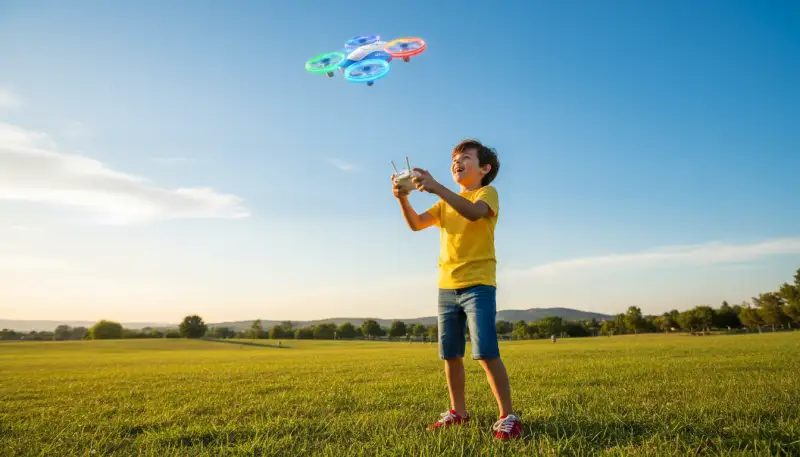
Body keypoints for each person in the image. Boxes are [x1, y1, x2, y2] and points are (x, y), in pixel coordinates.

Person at [391, 139, 521, 440]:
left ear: (484, 168)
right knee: (450, 354)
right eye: (453, 160)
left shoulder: (486, 193)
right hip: (447, 287)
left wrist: (436, 187)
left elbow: (474, 213)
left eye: (465, 158)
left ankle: (508, 416)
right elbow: (416, 224)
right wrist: (402, 198)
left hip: (478, 285)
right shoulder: (444, 203)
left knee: (487, 351)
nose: (456, 163)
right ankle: (458, 413)